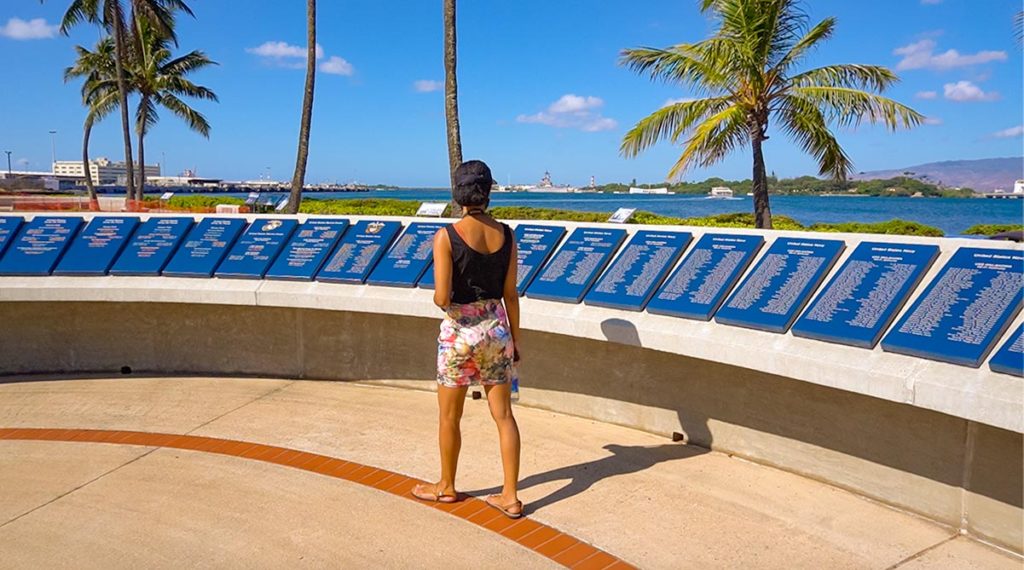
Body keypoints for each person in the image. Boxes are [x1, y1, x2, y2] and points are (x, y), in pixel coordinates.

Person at [412, 160, 523, 519]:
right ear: (488, 192)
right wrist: (515, 341)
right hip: (497, 330)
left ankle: (446, 486)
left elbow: (442, 297)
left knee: (449, 416)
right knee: (504, 416)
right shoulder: (507, 234)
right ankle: (510, 496)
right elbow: (511, 293)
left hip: (459, 334)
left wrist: (445, 296)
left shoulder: (446, 236)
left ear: (457, 193)